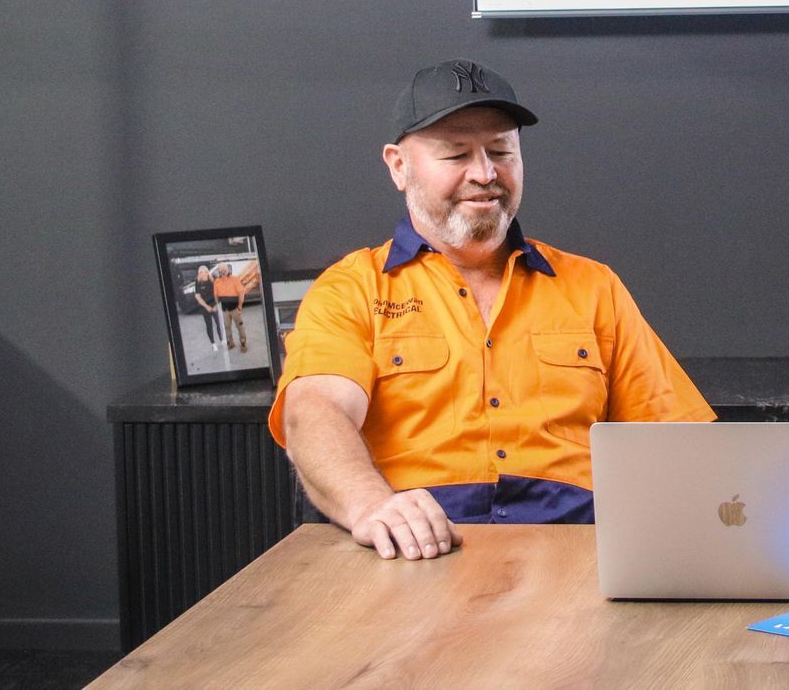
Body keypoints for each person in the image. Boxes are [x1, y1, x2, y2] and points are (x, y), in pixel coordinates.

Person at [271, 58, 714, 560]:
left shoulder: (594, 287)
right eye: (456, 154)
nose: (484, 174)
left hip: (575, 554)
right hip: (414, 552)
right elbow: (315, 413)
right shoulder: (350, 289)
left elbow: (676, 441)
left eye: (501, 151)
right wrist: (372, 506)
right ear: (398, 166)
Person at [192, 265, 223, 352]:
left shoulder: (212, 279)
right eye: (201, 272)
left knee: (218, 323)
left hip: (214, 305)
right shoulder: (198, 282)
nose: (204, 273)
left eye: (205, 271)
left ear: (208, 272)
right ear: (199, 273)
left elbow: (217, 292)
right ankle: (213, 344)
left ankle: (222, 340)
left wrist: (216, 305)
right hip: (205, 307)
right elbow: (198, 296)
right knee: (209, 325)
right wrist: (207, 307)